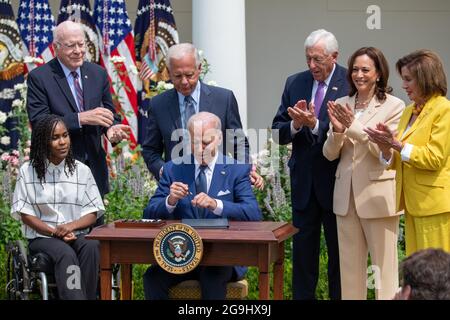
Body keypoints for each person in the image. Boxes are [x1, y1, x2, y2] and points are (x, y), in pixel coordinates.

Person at [143, 112, 262, 300]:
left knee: (211, 277)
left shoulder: (237, 169)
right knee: (152, 277)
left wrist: (216, 204)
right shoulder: (173, 168)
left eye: (207, 142)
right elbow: (148, 213)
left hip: (223, 255)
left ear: (219, 138)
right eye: (195, 142)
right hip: (183, 253)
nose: (201, 149)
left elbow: (253, 214)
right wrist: (170, 201)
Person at [271, 29, 349, 300]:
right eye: (308, 59)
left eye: (318, 59)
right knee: (304, 256)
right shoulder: (295, 82)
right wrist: (295, 124)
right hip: (304, 183)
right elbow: (277, 131)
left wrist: (315, 124)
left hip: (337, 182)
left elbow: (350, 130)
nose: (312, 66)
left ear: (334, 56)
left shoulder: (349, 82)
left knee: (340, 257)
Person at [323, 47, 405, 299]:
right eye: (355, 69)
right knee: (349, 272)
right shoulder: (340, 104)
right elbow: (329, 154)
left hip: (378, 196)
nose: (359, 74)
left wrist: (352, 126)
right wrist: (337, 132)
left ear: (379, 74)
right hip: (345, 198)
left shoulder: (394, 106)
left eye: (365, 70)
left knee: (384, 271)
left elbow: (383, 150)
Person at [26, 20, 130, 198]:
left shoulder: (98, 73)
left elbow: (107, 111)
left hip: (94, 171)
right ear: (56, 47)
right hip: (57, 170)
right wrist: (80, 118)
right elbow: (40, 123)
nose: (78, 50)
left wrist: (111, 129)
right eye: (70, 45)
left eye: (81, 44)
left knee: (97, 226)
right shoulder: (39, 77)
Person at [141, 43, 263, 189]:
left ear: (199, 69)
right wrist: (165, 171)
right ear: (168, 72)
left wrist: (244, 171)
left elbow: (238, 142)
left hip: (219, 185)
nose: (184, 82)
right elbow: (150, 150)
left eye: (189, 75)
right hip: (177, 187)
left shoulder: (223, 99)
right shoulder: (158, 104)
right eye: (178, 76)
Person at [365, 49, 450, 255]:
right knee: (418, 269)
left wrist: (397, 145)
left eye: (408, 79)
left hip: (434, 206)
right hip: (411, 204)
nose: (404, 85)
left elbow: (434, 158)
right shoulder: (408, 110)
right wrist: (386, 148)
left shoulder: (443, 109)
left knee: (435, 272)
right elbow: (399, 158)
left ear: (425, 79)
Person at [11, 115, 104, 300]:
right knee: (65, 252)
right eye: (55, 138)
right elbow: (26, 214)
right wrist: (55, 232)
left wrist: (70, 227)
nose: (62, 142)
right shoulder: (27, 171)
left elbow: (92, 212)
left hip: (76, 233)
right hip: (43, 237)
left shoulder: (81, 170)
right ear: (43, 142)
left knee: (92, 246)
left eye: (65, 135)